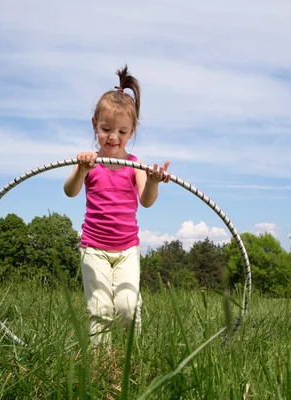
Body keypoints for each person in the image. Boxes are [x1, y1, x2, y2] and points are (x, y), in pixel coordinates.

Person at [63, 65, 171, 346]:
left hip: (126, 250)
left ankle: (129, 362)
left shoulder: (135, 165)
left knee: (127, 307)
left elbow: (146, 201)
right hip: (94, 249)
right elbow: (70, 191)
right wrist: (81, 169)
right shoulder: (90, 162)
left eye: (122, 131)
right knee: (100, 310)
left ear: (132, 131)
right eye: (106, 129)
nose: (113, 136)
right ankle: (101, 370)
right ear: (94, 125)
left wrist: (155, 181)